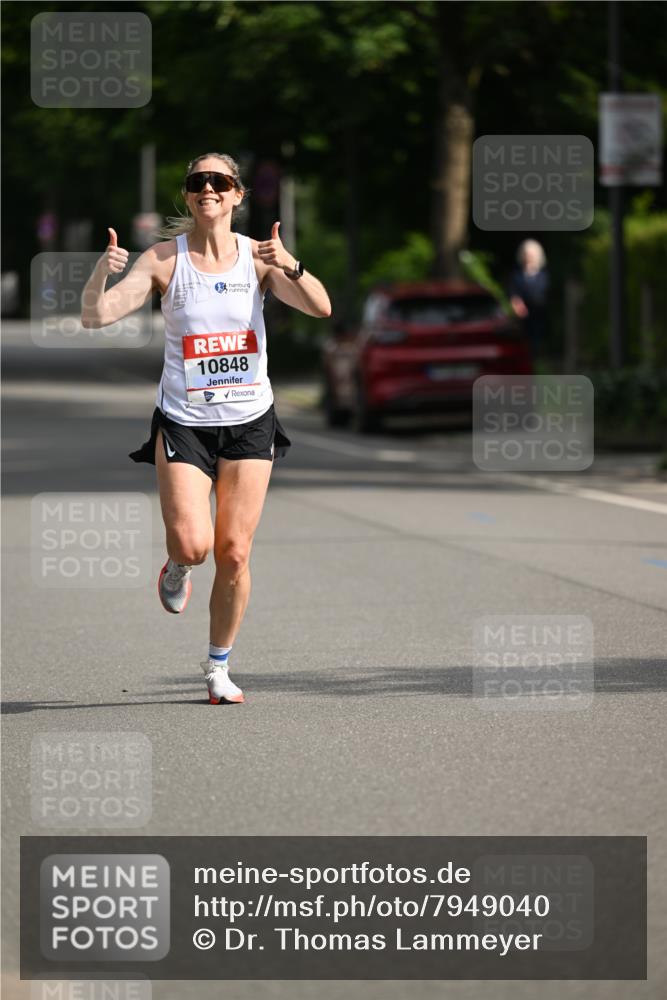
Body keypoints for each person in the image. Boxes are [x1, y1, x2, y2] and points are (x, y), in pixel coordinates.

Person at [81, 152, 331, 704]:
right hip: (186, 423)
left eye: (220, 181)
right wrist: (104, 270)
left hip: (249, 420)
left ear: (238, 195)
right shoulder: (165, 261)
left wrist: (289, 262)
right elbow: (95, 317)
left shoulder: (258, 259)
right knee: (195, 545)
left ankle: (218, 666)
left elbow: (321, 307)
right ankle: (176, 568)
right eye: (198, 182)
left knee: (235, 552)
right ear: (189, 195)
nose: (209, 189)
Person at [508, 239, 549, 360]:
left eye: (531, 254)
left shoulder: (544, 275)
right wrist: (517, 304)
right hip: (522, 317)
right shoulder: (516, 275)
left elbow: (545, 294)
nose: (528, 257)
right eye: (526, 254)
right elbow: (513, 294)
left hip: (539, 315)